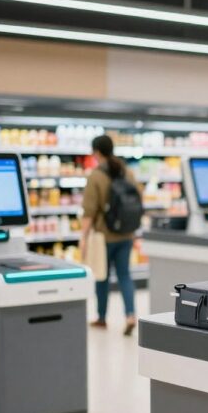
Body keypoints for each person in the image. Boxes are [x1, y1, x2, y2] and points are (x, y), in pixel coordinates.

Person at [81, 135, 139, 336]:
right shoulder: (127, 172)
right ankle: (131, 315)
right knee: (125, 275)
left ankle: (102, 317)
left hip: (104, 235)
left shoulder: (96, 176)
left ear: (97, 152)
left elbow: (89, 211)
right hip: (126, 233)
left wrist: (83, 237)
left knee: (102, 277)